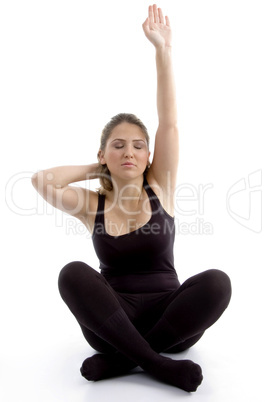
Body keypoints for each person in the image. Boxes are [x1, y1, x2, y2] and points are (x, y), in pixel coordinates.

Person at [32, 4, 231, 393]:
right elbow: (41, 181)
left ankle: (126, 360)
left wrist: (162, 50)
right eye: (118, 146)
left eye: (139, 146)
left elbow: (169, 121)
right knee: (71, 272)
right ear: (104, 153)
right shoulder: (94, 206)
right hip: (111, 320)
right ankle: (157, 363)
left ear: (149, 156)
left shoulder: (162, 187)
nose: (130, 152)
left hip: (172, 318)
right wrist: (98, 168)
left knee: (218, 283)